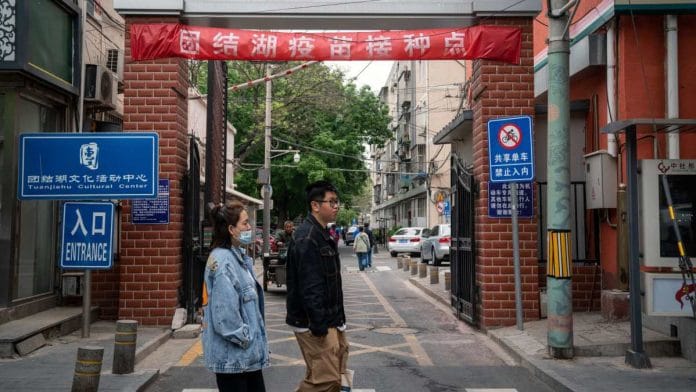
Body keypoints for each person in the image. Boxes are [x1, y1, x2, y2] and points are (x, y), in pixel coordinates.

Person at [286, 180, 349, 391]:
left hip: (330, 320)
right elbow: (310, 287)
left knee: (331, 375)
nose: (336, 206)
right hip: (313, 323)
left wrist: (339, 321)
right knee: (326, 380)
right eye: (331, 202)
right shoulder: (307, 237)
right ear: (315, 205)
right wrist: (320, 326)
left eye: (337, 202)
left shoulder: (322, 234)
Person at [201, 202, 269, 392]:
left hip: (244, 359)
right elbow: (226, 317)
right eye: (245, 223)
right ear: (231, 229)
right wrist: (248, 338)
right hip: (235, 359)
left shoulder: (237, 257)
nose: (249, 228)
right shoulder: (224, 262)